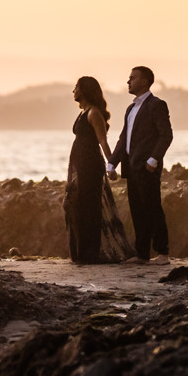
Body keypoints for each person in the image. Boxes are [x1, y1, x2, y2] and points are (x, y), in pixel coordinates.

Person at [109, 65, 174, 263]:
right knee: (137, 211)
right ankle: (142, 254)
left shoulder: (156, 104)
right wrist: (112, 164)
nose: (128, 81)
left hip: (147, 167)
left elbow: (166, 135)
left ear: (144, 81)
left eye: (132, 78)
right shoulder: (130, 108)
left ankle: (163, 253)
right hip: (131, 167)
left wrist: (153, 160)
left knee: (152, 208)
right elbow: (123, 139)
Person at [65, 75, 131, 264]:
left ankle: (90, 252)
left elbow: (103, 141)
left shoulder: (94, 113)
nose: (73, 90)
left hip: (90, 165)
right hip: (80, 164)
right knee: (76, 205)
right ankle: (82, 251)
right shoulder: (83, 112)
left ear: (85, 90)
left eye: (76, 87)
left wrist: (111, 166)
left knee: (89, 207)